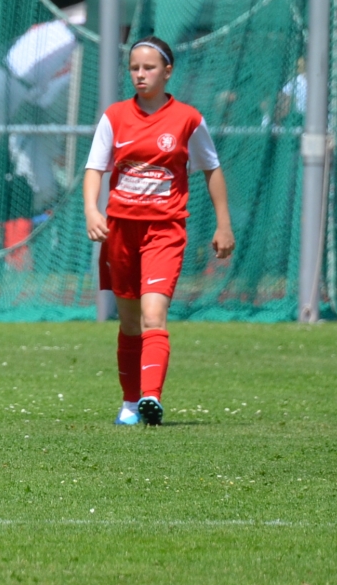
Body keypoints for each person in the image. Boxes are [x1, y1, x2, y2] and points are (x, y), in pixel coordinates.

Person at [83, 36, 236, 427]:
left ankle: (151, 397)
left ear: (168, 72)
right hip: (120, 232)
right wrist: (91, 211)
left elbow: (211, 169)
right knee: (129, 322)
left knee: (154, 316)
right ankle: (129, 403)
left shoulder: (188, 119)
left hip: (164, 231)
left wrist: (223, 224)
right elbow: (95, 168)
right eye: (134, 68)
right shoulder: (115, 116)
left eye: (149, 68)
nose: (140, 74)